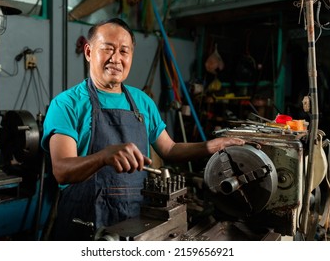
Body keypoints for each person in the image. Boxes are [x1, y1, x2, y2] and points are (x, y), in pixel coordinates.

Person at [41, 18, 245, 240]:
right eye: (108, 49)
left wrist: (210, 146)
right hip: (84, 224)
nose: (116, 58)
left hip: (136, 221)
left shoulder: (142, 102)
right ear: (89, 52)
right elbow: (62, 169)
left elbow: (170, 149)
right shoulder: (66, 104)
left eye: (124, 51)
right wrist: (102, 157)